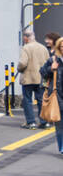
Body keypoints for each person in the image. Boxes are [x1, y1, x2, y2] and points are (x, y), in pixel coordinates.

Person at [17, 27, 49, 128]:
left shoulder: (26, 48)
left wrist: (19, 69)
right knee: (41, 100)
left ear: (26, 38)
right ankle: (44, 122)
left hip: (28, 78)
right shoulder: (43, 48)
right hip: (41, 78)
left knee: (27, 100)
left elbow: (22, 63)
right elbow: (48, 62)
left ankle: (31, 122)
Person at [43, 36, 63, 164]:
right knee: (60, 126)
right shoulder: (53, 60)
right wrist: (51, 68)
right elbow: (42, 72)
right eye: (61, 47)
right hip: (58, 97)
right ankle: (62, 148)